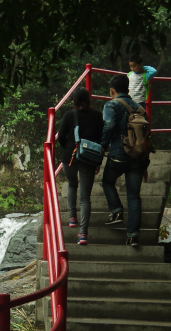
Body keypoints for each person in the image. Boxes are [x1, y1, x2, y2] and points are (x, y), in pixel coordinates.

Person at [100, 75, 145, 248]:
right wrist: (145, 160)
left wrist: (103, 146)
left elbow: (109, 125)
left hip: (118, 154)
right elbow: (146, 136)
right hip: (138, 157)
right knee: (134, 196)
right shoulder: (140, 109)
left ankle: (117, 211)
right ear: (128, 90)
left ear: (112, 91)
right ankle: (133, 236)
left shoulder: (111, 104)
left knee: (107, 181)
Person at [55, 87, 103, 245]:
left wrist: (69, 148)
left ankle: (72, 217)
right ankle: (83, 234)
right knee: (85, 198)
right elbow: (100, 141)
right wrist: (98, 162)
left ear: (74, 101)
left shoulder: (70, 115)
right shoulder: (97, 116)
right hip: (88, 159)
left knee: (71, 184)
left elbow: (61, 137)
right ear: (89, 100)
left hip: (70, 157)